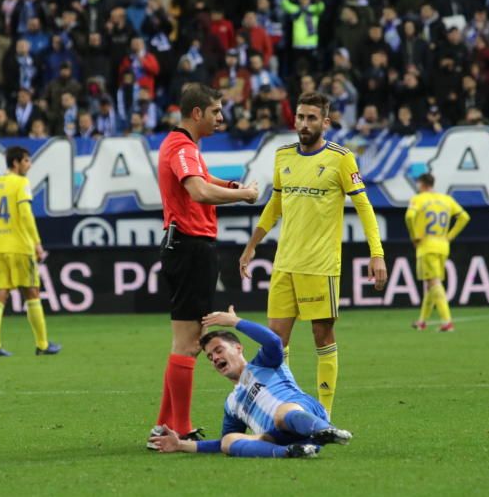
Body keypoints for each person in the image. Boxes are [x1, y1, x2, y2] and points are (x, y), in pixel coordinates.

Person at [238, 92, 387, 416]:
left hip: (320, 267)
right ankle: (279, 412)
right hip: (284, 264)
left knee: (322, 335)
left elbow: (364, 207)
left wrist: (377, 254)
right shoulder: (282, 156)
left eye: (311, 118)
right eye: (301, 117)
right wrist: (252, 246)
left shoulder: (341, 158)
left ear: (325, 122)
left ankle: (324, 415)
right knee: (275, 343)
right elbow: (274, 206)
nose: (304, 124)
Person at [149, 83, 260, 447]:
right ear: (197, 113)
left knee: (185, 341)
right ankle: (178, 427)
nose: (220, 118)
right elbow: (198, 191)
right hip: (189, 247)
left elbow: (204, 181)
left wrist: (227, 184)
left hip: (189, 247)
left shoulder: (185, 148)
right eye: (216, 111)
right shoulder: (181, 147)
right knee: (189, 343)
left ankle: (165, 425)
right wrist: (242, 195)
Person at [149, 306, 352, 459]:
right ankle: (292, 451)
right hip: (278, 436)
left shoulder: (263, 363)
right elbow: (222, 443)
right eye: (210, 357)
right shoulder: (232, 403)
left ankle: (325, 430)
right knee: (229, 441)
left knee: (282, 413)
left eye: (219, 350)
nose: (215, 358)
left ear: (238, 348)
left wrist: (235, 321)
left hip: (304, 413)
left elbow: (273, 341)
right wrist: (181, 445)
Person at [0, 146, 61, 356]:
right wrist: (36, 242)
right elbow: (25, 214)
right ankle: (43, 344)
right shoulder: (21, 183)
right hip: (19, 246)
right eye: (26, 160)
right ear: (16, 163)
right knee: (32, 293)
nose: (29, 164)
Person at [406, 173, 470, 331]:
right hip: (442, 245)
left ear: (421, 184)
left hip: (426, 245)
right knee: (430, 284)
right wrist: (450, 236)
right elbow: (464, 217)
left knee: (433, 282)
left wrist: (414, 236)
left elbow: (409, 216)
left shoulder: (418, 199)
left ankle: (447, 322)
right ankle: (422, 322)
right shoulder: (446, 199)